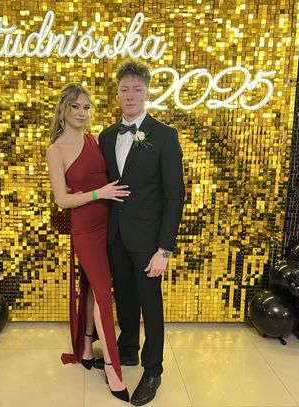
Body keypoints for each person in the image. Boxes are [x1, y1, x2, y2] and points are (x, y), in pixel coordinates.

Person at [94, 60, 185, 406]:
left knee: (151, 304)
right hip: (115, 235)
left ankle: (153, 370)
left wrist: (164, 249)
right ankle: (128, 349)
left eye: (136, 89)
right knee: (125, 298)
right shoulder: (106, 136)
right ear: (117, 94)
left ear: (147, 92)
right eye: (124, 89)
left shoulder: (164, 135)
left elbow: (174, 195)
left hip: (149, 241)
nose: (130, 95)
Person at [46, 83, 130, 402]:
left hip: (110, 224)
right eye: (76, 106)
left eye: (86, 107)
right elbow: (62, 200)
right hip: (85, 229)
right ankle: (112, 368)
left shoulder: (94, 140)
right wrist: (99, 193)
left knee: (95, 287)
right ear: (64, 109)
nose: (82, 113)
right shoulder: (56, 150)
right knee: (104, 294)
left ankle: (85, 347)